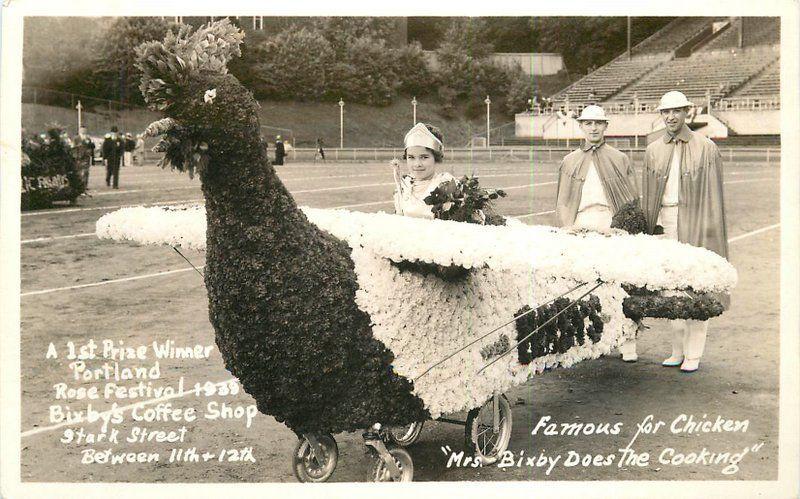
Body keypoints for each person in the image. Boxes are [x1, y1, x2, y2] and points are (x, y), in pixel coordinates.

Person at [642, 90, 729, 373]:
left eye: (676, 111)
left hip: (695, 219)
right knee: (670, 288)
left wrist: (709, 229)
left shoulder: (706, 147)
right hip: (666, 219)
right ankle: (677, 350)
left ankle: (694, 353)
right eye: (666, 112)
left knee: (696, 286)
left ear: (687, 113)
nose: (671, 117)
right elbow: (649, 194)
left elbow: (714, 197)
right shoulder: (653, 149)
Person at [554, 105, 640, 361]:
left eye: (598, 123)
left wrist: (623, 226)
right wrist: (568, 226)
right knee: (585, 283)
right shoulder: (569, 161)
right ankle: (594, 341)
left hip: (610, 222)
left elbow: (631, 199)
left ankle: (628, 342)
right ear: (581, 126)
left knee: (620, 281)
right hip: (581, 223)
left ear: (605, 127)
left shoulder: (619, 158)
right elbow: (563, 199)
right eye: (588, 123)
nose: (593, 128)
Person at [391, 123, 454, 219]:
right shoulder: (404, 185)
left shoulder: (446, 185)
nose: (417, 164)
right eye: (411, 157)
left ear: (435, 158)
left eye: (424, 157)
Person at [71, 125, 95, 191]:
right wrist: (76, 155)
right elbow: (73, 147)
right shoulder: (76, 138)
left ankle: (85, 185)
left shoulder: (88, 138)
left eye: (84, 130)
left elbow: (91, 147)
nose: (83, 131)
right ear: (79, 130)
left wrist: (90, 151)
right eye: (82, 130)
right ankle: (79, 185)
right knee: (78, 172)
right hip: (79, 157)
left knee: (86, 172)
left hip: (86, 157)